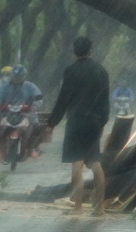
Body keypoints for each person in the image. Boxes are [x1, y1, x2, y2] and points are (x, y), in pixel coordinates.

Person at [45, 37, 111, 214]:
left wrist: (52, 123)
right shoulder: (101, 71)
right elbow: (105, 101)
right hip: (94, 122)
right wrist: (102, 121)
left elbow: (63, 99)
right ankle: (99, 209)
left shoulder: (71, 71)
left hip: (76, 121)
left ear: (75, 52)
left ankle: (78, 207)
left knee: (77, 163)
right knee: (95, 162)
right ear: (91, 51)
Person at [0, 65, 44, 158]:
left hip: (26, 113)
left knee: (36, 126)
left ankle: (32, 148)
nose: (17, 78)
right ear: (11, 75)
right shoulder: (4, 86)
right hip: (6, 112)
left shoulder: (30, 86)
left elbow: (38, 97)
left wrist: (35, 106)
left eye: (20, 76)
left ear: (24, 76)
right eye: (15, 76)